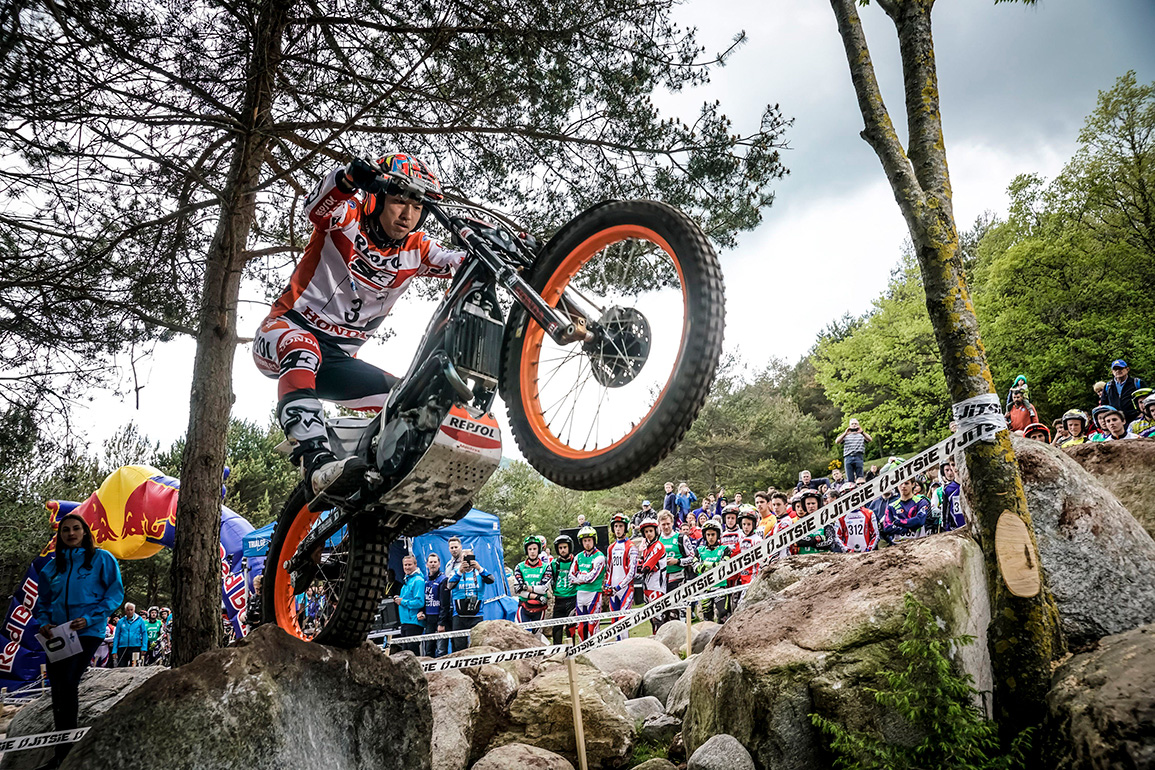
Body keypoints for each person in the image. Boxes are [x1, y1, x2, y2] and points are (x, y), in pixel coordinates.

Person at [252, 153, 464, 497]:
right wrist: (348, 178)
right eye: (398, 201)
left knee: (411, 401)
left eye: (416, 207)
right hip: (283, 331)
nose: (407, 215)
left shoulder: (419, 248)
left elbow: (458, 261)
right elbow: (316, 209)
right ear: (377, 198)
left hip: (337, 361)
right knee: (304, 349)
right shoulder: (347, 216)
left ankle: (385, 482)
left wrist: (502, 246)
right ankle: (315, 461)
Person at [36, 514, 124, 766]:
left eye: (76, 528)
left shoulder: (101, 558)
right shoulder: (51, 567)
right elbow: (43, 602)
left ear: (85, 532)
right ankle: (61, 753)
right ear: (60, 535)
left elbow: (115, 593)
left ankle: (68, 752)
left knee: (69, 680)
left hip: (88, 631)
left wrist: (90, 618)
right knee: (57, 687)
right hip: (58, 634)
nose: (71, 533)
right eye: (65, 530)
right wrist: (44, 622)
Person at [446, 550, 493, 652]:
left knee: (478, 645)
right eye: (465, 558)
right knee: (459, 646)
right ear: (461, 560)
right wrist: (460, 572)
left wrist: (479, 568)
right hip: (459, 616)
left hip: (476, 615)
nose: (467, 561)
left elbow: (491, 580)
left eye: (470, 558)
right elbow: (449, 586)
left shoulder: (480, 572)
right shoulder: (455, 572)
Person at [569, 526, 606, 642]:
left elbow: (592, 578)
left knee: (592, 626)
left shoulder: (600, 557)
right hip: (580, 594)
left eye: (589, 540)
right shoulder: (578, 557)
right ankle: (583, 650)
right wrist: (582, 576)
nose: (587, 543)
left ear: (594, 540)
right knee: (581, 627)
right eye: (584, 541)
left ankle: (596, 648)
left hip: (593, 593)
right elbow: (570, 577)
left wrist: (579, 576)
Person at [694, 521, 733, 623]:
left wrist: (705, 564)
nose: (710, 537)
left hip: (720, 586)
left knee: (723, 614)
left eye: (713, 534)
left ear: (718, 535)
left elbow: (723, 566)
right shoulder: (699, 550)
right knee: (707, 618)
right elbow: (695, 567)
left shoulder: (725, 549)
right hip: (705, 587)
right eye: (708, 535)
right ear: (704, 535)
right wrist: (714, 565)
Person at [605, 513, 639, 627]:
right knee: (614, 623)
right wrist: (607, 585)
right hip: (613, 590)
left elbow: (632, 572)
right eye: (615, 526)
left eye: (620, 526)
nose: (618, 529)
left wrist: (619, 587)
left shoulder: (631, 547)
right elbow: (609, 569)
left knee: (623, 622)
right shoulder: (611, 548)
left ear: (626, 528)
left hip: (625, 589)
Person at [636, 516, 667, 633]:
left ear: (656, 531)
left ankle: (659, 640)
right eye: (646, 532)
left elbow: (647, 566)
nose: (648, 534)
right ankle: (654, 638)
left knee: (658, 617)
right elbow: (640, 563)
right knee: (651, 617)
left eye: (650, 531)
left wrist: (641, 568)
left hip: (657, 586)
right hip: (647, 586)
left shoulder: (658, 545)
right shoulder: (646, 548)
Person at [547, 535, 578, 645]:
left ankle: (572, 649)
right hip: (558, 599)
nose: (563, 550)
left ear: (570, 547)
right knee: (557, 628)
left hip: (572, 598)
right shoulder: (554, 564)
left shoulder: (575, 562)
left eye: (565, 547)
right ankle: (557, 651)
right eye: (560, 548)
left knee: (571, 627)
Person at [513, 536, 551, 623]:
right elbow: (518, 590)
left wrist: (525, 587)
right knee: (522, 630)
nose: (532, 551)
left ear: (539, 550)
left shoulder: (546, 567)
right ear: (526, 551)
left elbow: (543, 589)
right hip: (524, 605)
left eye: (535, 549)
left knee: (537, 631)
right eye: (530, 549)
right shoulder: (519, 567)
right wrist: (537, 596)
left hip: (539, 606)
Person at [880, 480, 930, 545]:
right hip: (897, 545)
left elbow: (919, 521)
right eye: (901, 484)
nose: (903, 486)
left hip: (919, 543)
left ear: (913, 484)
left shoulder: (921, 502)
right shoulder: (891, 506)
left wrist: (898, 522)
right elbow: (887, 527)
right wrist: (906, 529)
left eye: (906, 483)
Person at [394, 555, 426, 654]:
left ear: (415, 565)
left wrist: (402, 601)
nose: (407, 567)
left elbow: (419, 602)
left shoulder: (418, 581)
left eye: (409, 564)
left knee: (412, 652)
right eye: (405, 565)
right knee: (406, 652)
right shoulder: (407, 580)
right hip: (405, 621)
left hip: (413, 622)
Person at [421, 552, 450, 657]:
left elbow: (445, 603)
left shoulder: (443, 579)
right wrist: (421, 611)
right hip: (429, 619)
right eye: (431, 562)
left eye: (435, 562)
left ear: (439, 564)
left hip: (440, 618)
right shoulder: (424, 580)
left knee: (441, 650)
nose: (433, 564)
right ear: (427, 564)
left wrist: (441, 623)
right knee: (428, 649)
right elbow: (423, 598)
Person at [1100, 360, 1143, 425]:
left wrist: (1142, 414)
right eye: (1115, 369)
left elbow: (1146, 399)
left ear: (1127, 369)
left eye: (1120, 368)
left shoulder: (1137, 383)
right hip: (1116, 422)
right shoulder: (1108, 386)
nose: (1118, 371)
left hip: (1135, 420)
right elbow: (1104, 404)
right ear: (1112, 372)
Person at [835, 418, 872, 482]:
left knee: (860, 477)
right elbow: (837, 441)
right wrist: (845, 433)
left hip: (858, 456)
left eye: (856, 424)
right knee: (850, 478)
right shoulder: (846, 435)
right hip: (848, 457)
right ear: (849, 426)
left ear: (858, 425)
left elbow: (870, 439)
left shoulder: (862, 435)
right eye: (852, 424)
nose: (854, 425)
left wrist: (862, 432)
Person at [112, 602, 147, 667]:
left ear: (134, 610)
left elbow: (144, 634)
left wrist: (144, 647)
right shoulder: (120, 621)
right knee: (121, 666)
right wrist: (114, 650)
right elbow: (116, 636)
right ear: (125, 611)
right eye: (128, 610)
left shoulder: (140, 620)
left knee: (134, 666)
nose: (130, 612)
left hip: (135, 647)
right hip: (122, 647)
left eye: (131, 610)